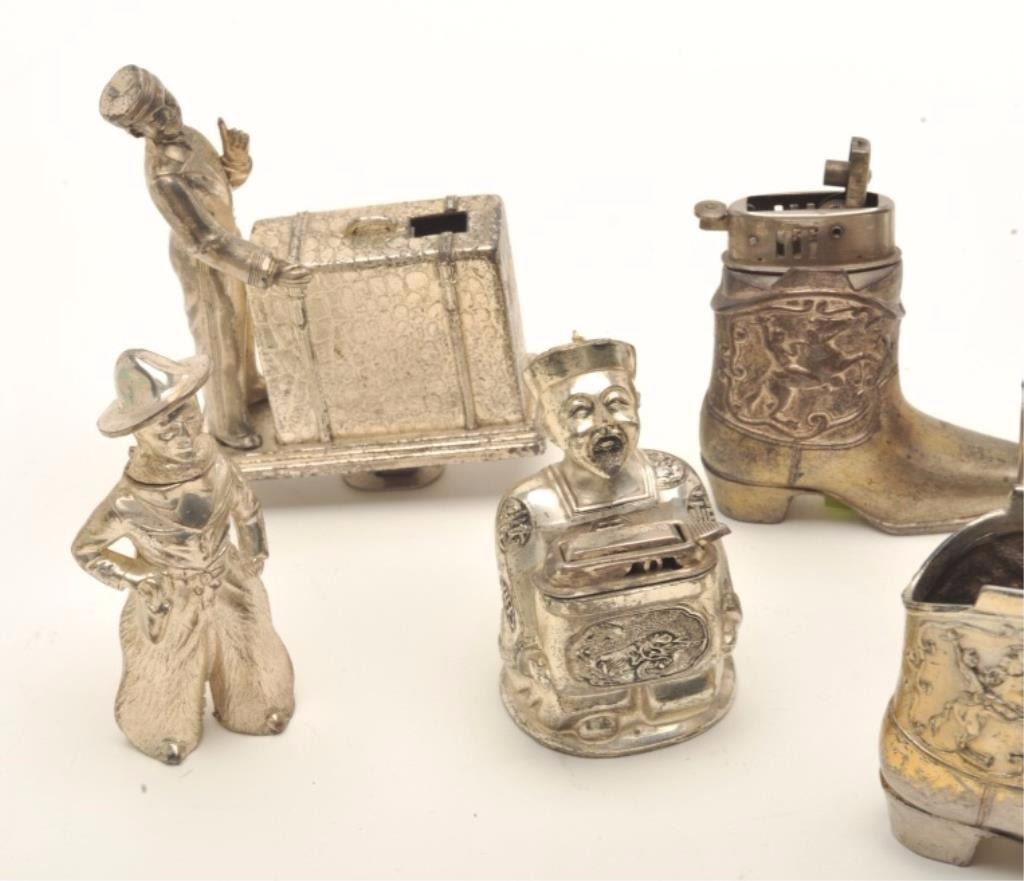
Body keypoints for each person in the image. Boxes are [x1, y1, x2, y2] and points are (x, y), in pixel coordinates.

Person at [72, 349, 295, 764]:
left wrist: (254, 546)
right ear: (139, 435)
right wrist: (138, 577)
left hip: (227, 575)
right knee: (169, 658)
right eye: (165, 430)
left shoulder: (218, 466)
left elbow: (246, 506)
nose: (184, 435)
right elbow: (86, 549)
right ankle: (164, 728)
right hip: (169, 594)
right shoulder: (128, 499)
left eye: (189, 418)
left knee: (249, 636)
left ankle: (258, 705)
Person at [99, 65, 310, 449]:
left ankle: (249, 387)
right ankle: (227, 424)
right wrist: (270, 268)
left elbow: (222, 187)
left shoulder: (191, 136)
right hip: (204, 262)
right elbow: (205, 241)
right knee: (218, 339)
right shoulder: (164, 175)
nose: (168, 115)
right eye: (155, 116)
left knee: (243, 325)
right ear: (137, 130)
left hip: (231, 245)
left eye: (167, 102)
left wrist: (236, 161)